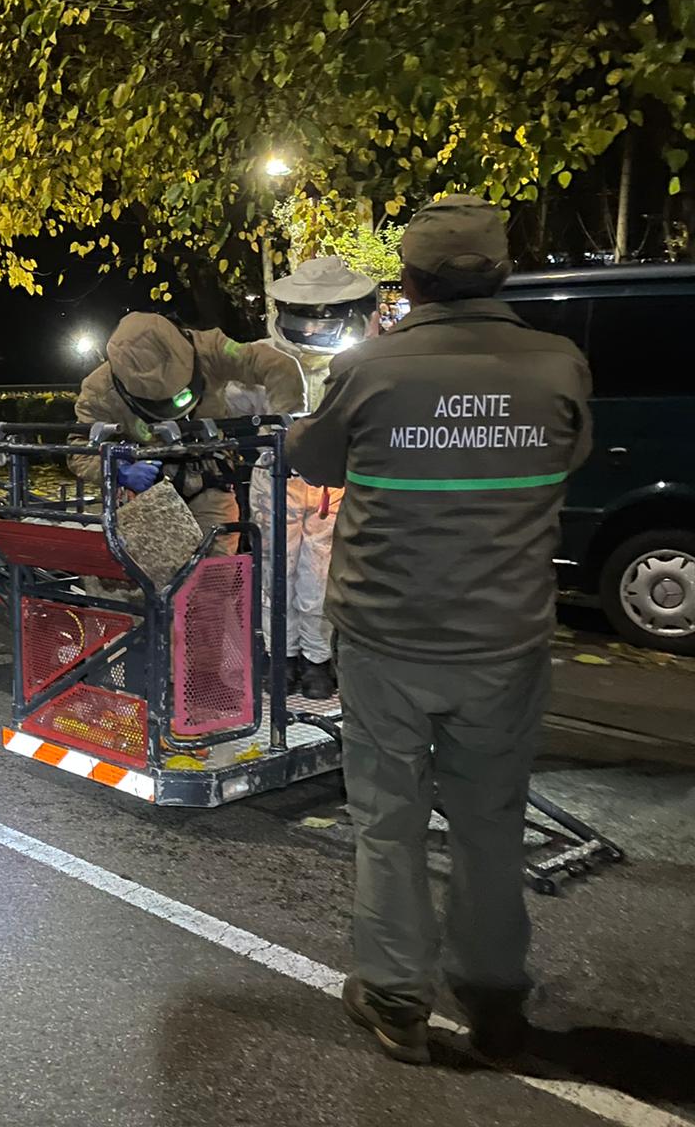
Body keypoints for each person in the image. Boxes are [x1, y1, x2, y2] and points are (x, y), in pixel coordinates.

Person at [286, 195, 592, 1065]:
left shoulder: (375, 369)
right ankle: (495, 996)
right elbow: (568, 457)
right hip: (505, 641)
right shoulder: (559, 364)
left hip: (386, 637)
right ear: (501, 273)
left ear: (410, 280)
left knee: (388, 819)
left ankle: (394, 999)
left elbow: (313, 461)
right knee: (490, 821)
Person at [70, 311, 303, 554]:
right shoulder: (99, 389)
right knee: (160, 575)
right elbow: (78, 448)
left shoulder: (210, 349)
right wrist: (118, 471)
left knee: (216, 573)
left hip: (211, 480)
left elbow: (276, 365)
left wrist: (287, 435)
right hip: (152, 495)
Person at [255, 257, 378, 700]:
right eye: (303, 319)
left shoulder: (364, 363)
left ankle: (316, 660)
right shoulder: (263, 358)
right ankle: (280, 657)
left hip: (332, 483)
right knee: (276, 570)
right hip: (276, 476)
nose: (309, 330)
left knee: (320, 574)